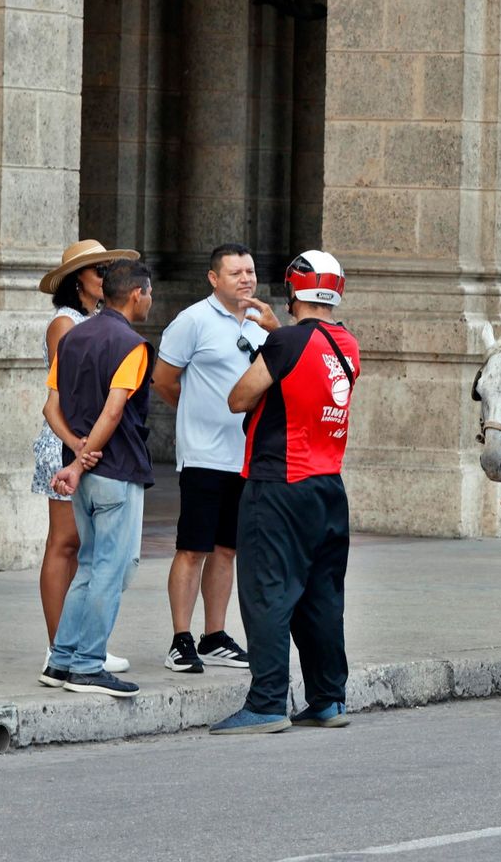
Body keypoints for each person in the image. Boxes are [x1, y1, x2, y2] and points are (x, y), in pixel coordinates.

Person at [211, 250, 360, 735]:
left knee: (267, 592)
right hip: (327, 487)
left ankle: (268, 702)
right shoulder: (348, 345)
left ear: (294, 289)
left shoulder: (286, 342)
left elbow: (239, 397)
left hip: (278, 485)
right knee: (321, 597)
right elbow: (308, 365)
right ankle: (327, 699)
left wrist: (275, 340)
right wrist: (281, 336)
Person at [152, 244, 279, 673]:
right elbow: (164, 380)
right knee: (193, 548)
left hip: (245, 457)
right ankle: (180, 639)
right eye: (235, 273)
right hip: (204, 456)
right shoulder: (193, 321)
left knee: (227, 550)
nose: (245, 279)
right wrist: (195, 414)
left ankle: (214, 636)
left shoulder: (263, 325)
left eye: (250, 271)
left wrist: (276, 330)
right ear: (213, 278)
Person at [39, 259, 156, 698]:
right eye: (150, 293)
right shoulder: (132, 344)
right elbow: (114, 410)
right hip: (115, 470)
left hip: (85, 474)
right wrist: (83, 458)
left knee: (89, 566)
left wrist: (74, 452)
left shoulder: (72, 337)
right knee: (110, 569)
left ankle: (62, 659)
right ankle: (88, 664)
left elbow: (51, 407)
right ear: (136, 294)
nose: (150, 300)